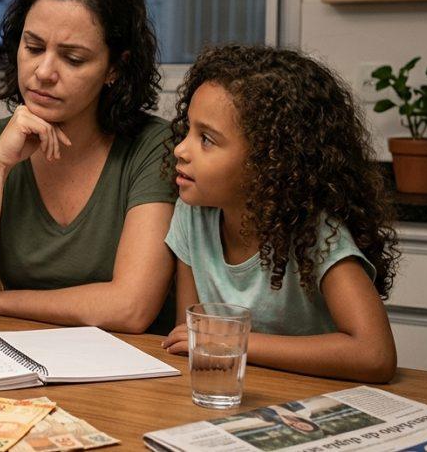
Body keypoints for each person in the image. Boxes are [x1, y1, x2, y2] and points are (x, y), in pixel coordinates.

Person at [0, 0, 177, 333]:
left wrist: (5, 301)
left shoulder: (151, 147)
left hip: (133, 374)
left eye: (73, 59)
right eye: (33, 47)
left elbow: (130, 307)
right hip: (27, 364)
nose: (43, 73)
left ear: (114, 68)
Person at [160, 45, 398, 383]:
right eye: (187, 130)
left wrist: (235, 342)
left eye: (207, 139)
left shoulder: (316, 233)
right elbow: (192, 336)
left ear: (269, 161)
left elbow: (375, 355)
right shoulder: (191, 214)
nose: (180, 149)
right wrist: (215, 341)